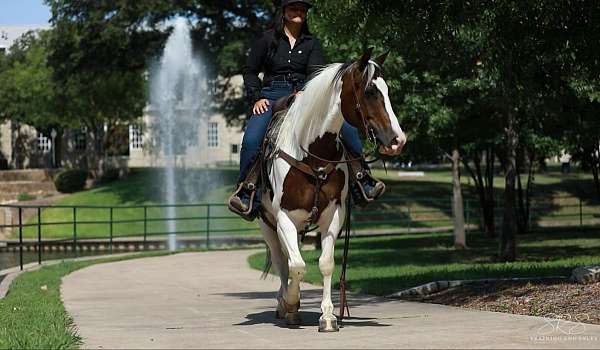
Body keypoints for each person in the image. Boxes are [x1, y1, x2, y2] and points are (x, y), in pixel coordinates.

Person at [228, 0, 384, 220]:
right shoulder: (266, 39)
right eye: (293, 7)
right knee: (253, 139)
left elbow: (315, 74)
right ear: (283, 12)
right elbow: (250, 71)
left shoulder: (312, 43)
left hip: (304, 95)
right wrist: (256, 97)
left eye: (302, 9)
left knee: (346, 125)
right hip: (272, 95)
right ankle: (247, 192)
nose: (298, 11)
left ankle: (362, 180)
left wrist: (305, 91)